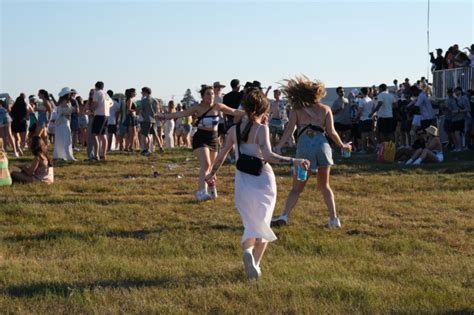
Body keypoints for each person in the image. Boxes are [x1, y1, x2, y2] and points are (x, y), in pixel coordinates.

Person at [205, 88, 310, 280]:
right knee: (263, 223)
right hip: (263, 179)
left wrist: (211, 173)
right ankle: (255, 263)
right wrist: (294, 160)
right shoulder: (262, 129)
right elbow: (269, 156)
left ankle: (248, 253)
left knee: (251, 222)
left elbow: (221, 155)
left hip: (243, 181)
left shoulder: (233, 130)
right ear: (263, 109)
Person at [272, 76, 352, 228]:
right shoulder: (325, 109)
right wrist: (342, 145)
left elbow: (290, 129)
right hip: (322, 147)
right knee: (325, 186)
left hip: (305, 149)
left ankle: (284, 215)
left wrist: (279, 146)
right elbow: (331, 132)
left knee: (297, 187)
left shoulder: (297, 109)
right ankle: (334, 219)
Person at [159, 84, 245, 201]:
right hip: (201, 138)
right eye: (208, 94)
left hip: (214, 139)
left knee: (212, 168)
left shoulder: (218, 106)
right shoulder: (197, 108)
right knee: (206, 164)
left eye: (212, 94)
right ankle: (201, 192)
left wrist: (250, 113)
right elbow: (180, 114)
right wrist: (164, 116)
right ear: (203, 96)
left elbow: (234, 111)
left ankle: (212, 187)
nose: (211, 96)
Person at [53, 87, 77, 161]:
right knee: (66, 139)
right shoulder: (64, 101)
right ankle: (67, 155)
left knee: (62, 138)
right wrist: (72, 110)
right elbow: (65, 111)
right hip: (63, 122)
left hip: (63, 121)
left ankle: (61, 154)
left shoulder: (63, 101)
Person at [90, 81, 111, 160]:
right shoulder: (106, 94)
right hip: (106, 115)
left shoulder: (97, 93)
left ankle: (96, 155)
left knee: (94, 134)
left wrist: (91, 109)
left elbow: (95, 104)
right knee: (103, 135)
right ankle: (103, 154)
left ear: (96, 87)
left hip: (99, 115)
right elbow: (111, 103)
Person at [139, 87, 161, 155]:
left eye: (142, 91)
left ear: (145, 92)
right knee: (155, 135)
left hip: (146, 120)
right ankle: (161, 147)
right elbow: (158, 111)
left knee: (144, 135)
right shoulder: (155, 100)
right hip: (154, 120)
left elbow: (141, 110)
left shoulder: (144, 100)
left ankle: (145, 150)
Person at [357, 87, 375, 153]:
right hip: (370, 119)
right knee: (371, 135)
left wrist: (356, 118)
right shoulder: (370, 100)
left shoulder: (362, 100)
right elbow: (373, 110)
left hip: (363, 119)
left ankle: (363, 149)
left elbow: (360, 111)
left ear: (362, 92)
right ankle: (377, 147)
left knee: (363, 135)